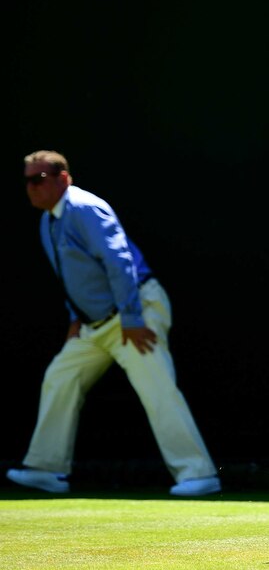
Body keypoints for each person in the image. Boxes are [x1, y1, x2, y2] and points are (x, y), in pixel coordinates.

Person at [7, 150, 222, 497]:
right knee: (59, 377)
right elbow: (72, 276)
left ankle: (199, 475)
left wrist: (133, 318)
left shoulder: (83, 207)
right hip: (96, 325)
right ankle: (46, 469)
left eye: (39, 179)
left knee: (157, 388)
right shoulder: (48, 221)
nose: (31, 187)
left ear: (63, 179)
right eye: (28, 181)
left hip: (134, 312)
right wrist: (76, 317)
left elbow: (118, 260)